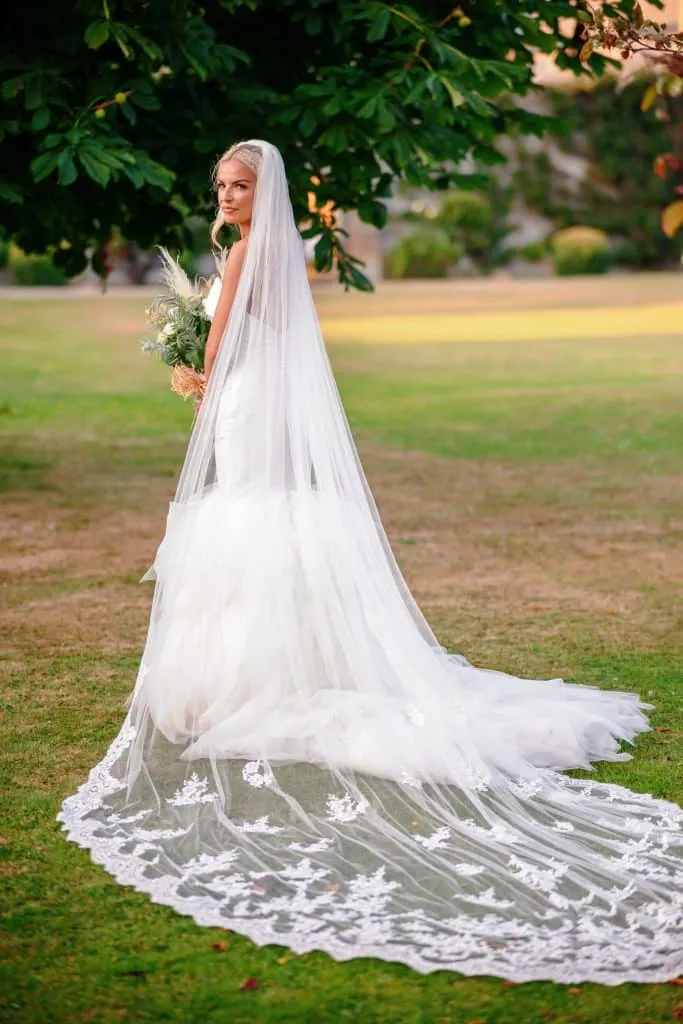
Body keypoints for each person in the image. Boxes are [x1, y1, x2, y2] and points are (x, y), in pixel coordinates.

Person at [59, 140, 683, 984]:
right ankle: (273, 671)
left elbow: (222, 346)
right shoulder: (279, 254)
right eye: (223, 186)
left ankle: (245, 687)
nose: (231, 197)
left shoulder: (244, 254)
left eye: (240, 186)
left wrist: (192, 367)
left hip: (243, 402)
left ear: (261, 192)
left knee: (244, 522)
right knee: (268, 522)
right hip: (267, 401)